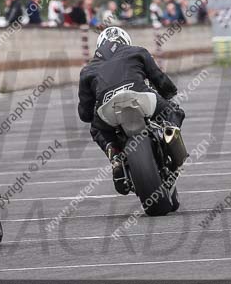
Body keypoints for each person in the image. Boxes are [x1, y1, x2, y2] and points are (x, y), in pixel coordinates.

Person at [78, 27, 185, 195]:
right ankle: (168, 133)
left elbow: (84, 114)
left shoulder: (87, 70)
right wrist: (169, 93)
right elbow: (160, 80)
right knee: (174, 111)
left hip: (108, 108)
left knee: (96, 127)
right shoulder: (138, 51)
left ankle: (114, 154)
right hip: (140, 96)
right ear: (125, 41)